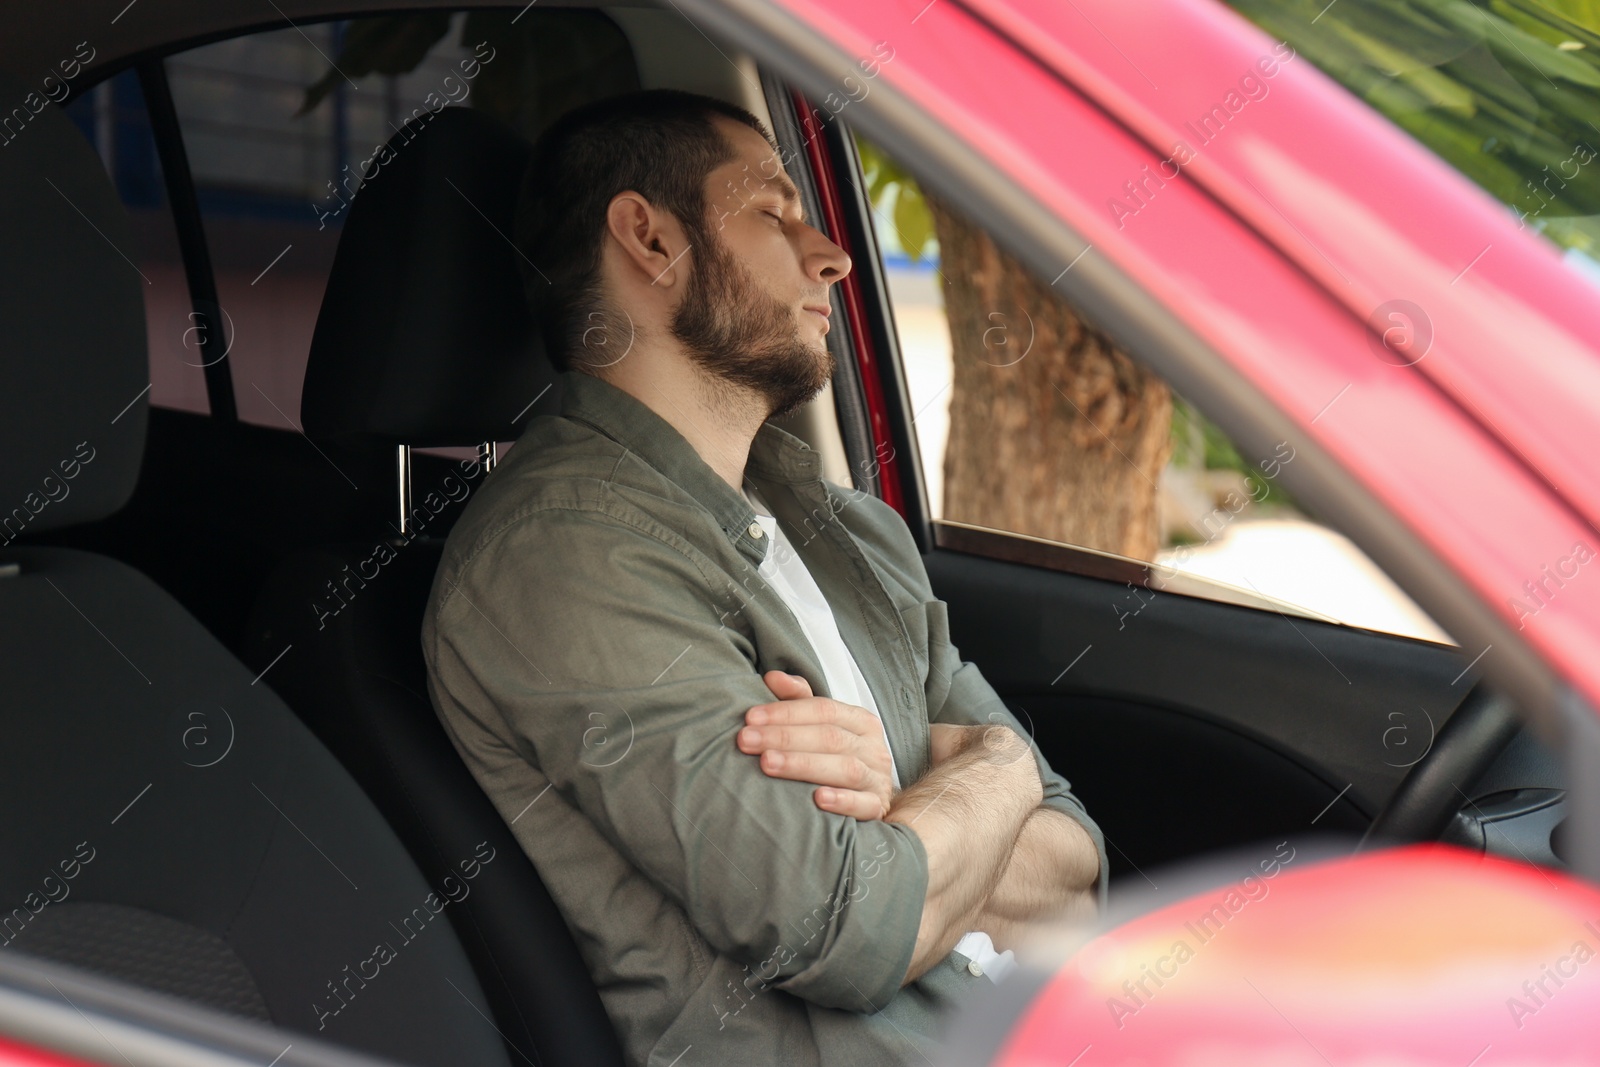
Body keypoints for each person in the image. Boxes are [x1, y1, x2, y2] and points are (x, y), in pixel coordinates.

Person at [421, 88, 1106, 1067]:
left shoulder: (846, 529)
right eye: (774, 212)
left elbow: (1077, 868)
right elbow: (849, 930)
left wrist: (906, 807)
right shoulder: (565, 557)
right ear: (649, 242)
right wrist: (991, 767)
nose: (828, 252)